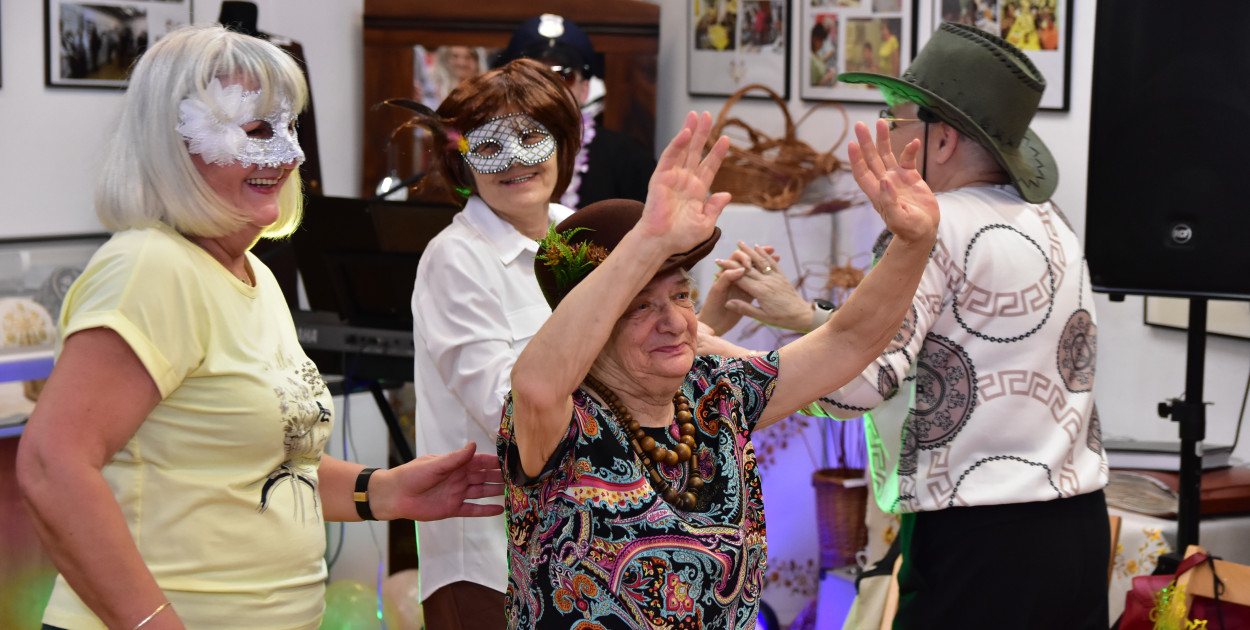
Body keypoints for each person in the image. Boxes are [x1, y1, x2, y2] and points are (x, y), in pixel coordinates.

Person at [15, 25, 503, 630]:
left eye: (289, 127)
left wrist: (383, 491)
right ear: (172, 144)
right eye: (255, 130)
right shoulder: (151, 268)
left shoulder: (253, 274)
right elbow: (52, 466)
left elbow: (265, 466)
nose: (291, 155)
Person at [712, 23, 1108, 629]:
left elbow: (854, 388)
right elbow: (950, 342)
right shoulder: (1050, 221)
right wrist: (806, 317)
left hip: (979, 545)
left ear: (941, 139)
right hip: (1075, 531)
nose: (888, 133)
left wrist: (709, 352)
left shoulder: (928, 229)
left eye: (893, 118)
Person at [500, 110, 939, 627]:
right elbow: (534, 383)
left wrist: (913, 244)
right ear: (593, 321)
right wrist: (649, 241)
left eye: (681, 295)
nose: (674, 322)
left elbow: (847, 341)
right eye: (640, 306)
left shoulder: (716, 393)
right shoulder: (563, 418)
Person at [404, 58, 582, 630]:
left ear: (563, 142)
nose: (514, 160)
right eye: (488, 145)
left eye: (531, 137)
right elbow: (509, 413)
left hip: (582, 549)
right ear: (462, 160)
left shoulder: (582, 233)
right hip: (490, 563)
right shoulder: (456, 259)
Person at [495, 14, 655, 209]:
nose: (549, 88)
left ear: (584, 89)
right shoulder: (490, 153)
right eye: (533, 77)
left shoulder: (628, 157)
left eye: (564, 76)